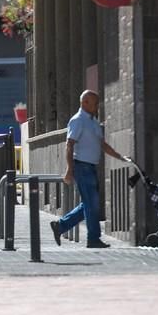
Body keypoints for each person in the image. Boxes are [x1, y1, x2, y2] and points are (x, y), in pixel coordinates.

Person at [49, 90, 128, 248]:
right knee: (92, 204)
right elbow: (69, 144)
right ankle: (93, 238)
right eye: (95, 103)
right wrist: (70, 169)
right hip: (81, 166)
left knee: (89, 204)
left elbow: (102, 144)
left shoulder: (93, 122)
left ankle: (61, 226)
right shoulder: (78, 120)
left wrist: (120, 157)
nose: (97, 106)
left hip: (90, 167)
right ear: (84, 103)